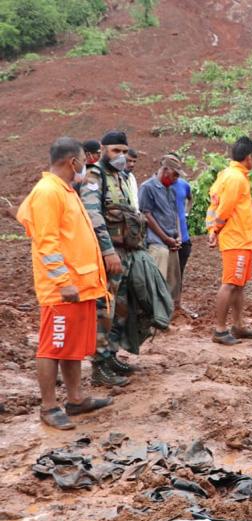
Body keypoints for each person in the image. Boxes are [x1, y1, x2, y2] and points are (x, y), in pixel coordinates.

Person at [17, 137, 113, 429]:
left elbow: (24, 217)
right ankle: (49, 407)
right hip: (63, 290)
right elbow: (46, 242)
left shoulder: (64, 190)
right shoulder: (48, 191)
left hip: (80, 286)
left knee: (71, 347)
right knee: (52, 347)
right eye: (84, 159)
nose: (86, 165)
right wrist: (62, 281)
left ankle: (75, 399)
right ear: (73, 161)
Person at [79, 130, 146, 387]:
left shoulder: (121, 176)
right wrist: (107, 251)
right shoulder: (95, 176)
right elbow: (93, 216)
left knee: (120, 309)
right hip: (108, 254)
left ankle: (111, 355)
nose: (121, 155)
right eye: (115, 150)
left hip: (126, 252)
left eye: (124, 151)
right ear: (103, 149)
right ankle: (99, 366)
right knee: (103, 311)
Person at [206, 135, 252, 345]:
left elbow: (214, 204)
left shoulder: (229, 175)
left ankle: (238, 326)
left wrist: (212, 228)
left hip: (243, 239)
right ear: (249, 157)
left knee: (239, 285)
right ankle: (220, 330)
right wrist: (215, 229)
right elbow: (224, 208)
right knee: (230, 284)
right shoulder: (235, 178)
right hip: (236, 239)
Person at [139, 155, 186, 310]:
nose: (176, 179)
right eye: (175, 174)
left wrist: (178, 236)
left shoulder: (170, 190)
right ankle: (153, 319)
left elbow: (176, 214)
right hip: (157, 243)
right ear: (165, 170)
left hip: (170, 243)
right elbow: (146, 215)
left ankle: (168, 316)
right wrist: (165, 238)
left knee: (172, 282)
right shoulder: (148, 187)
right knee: (156, 283)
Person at [170, 157, 196, 318]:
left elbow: (190, 198)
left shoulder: (183, 185)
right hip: (166, 237)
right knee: (166, 273)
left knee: (179, 272)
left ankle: (177, 305)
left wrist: (185, 213)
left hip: (183, 237)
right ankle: (165, 308)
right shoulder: (156, 187)